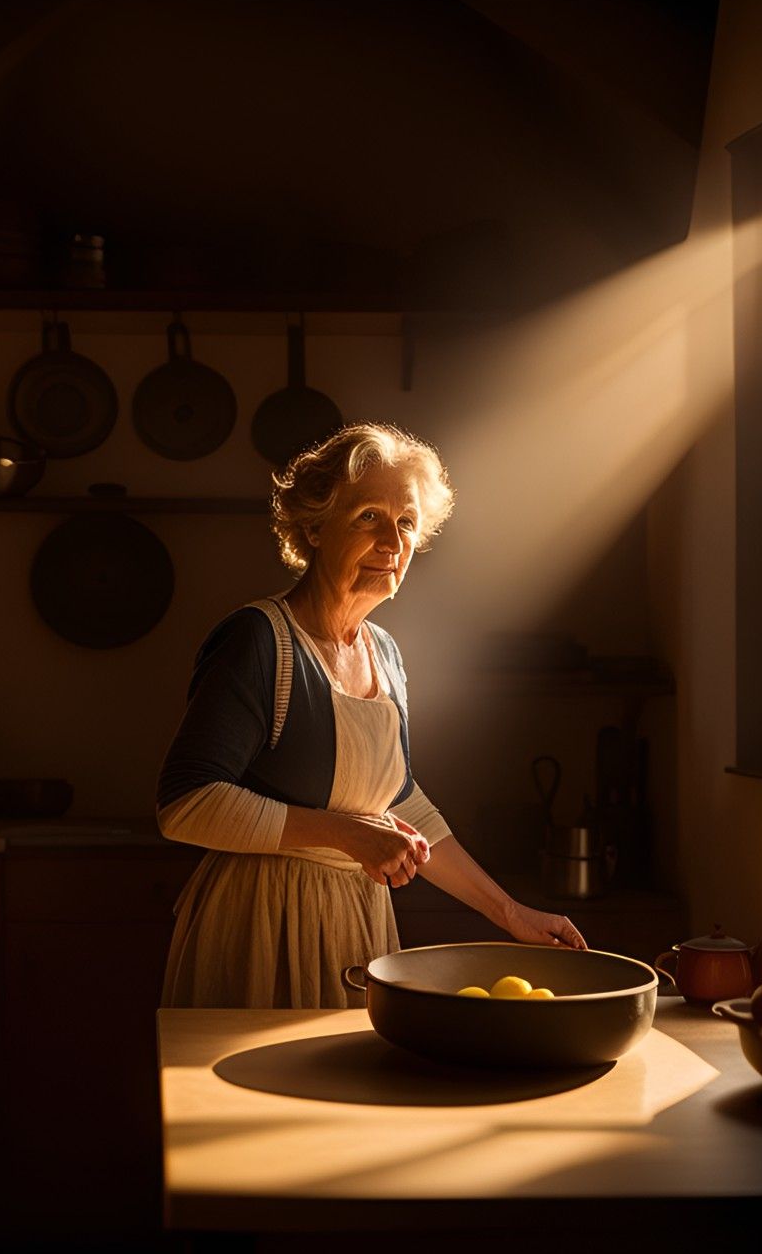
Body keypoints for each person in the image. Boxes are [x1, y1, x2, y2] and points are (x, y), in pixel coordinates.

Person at [156, 422, 587, 1008]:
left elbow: (398, 801)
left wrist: (511, 914)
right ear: (313, 527)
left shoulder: (383, 652)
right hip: (263, 922)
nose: (392, 542)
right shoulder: (260, 641)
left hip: (357, 921)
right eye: (368, 517)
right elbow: (187, 804)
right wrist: (346, 834)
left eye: (406, 523)